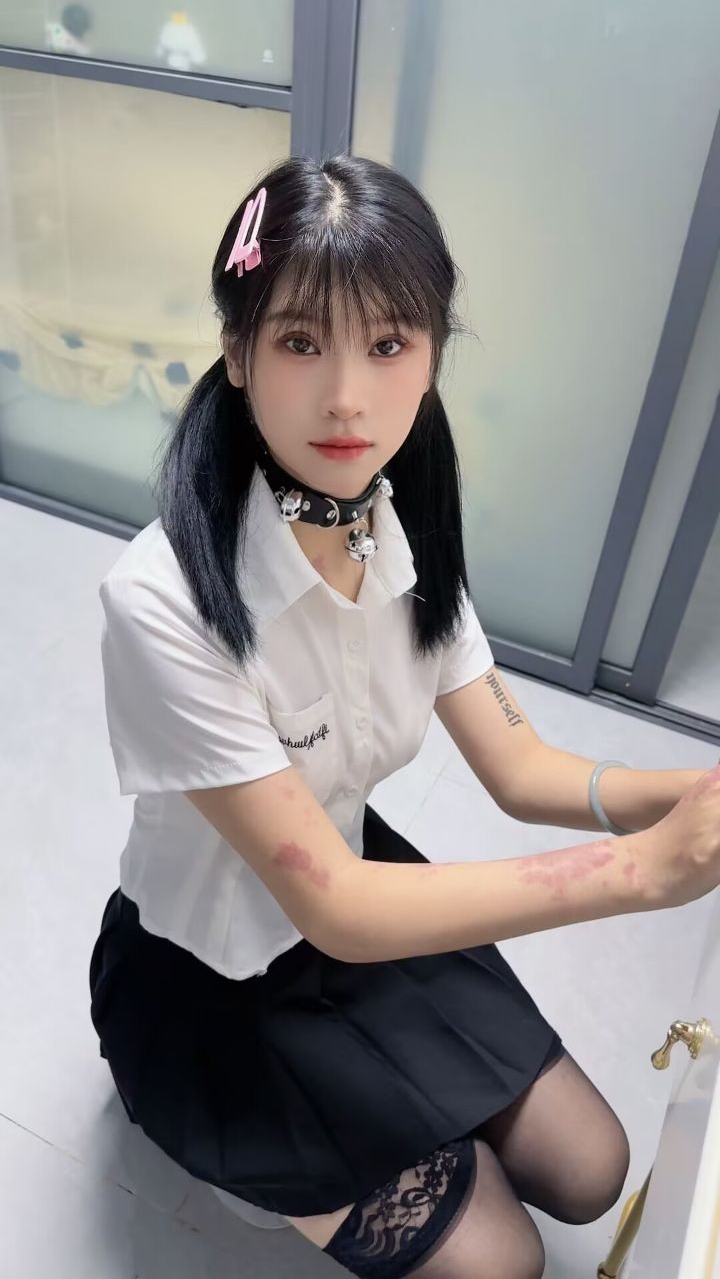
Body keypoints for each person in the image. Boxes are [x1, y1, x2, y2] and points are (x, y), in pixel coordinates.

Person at [88, 152, 720, 1278]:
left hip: (363, 897)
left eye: (388, 344)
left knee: (593, 1167)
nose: (348, 397)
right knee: (503, 1261)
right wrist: (639, 872)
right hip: (216, 973)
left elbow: (521, 766)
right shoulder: (161, 600)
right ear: (236, 351)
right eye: (300, 341)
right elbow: (333, 905)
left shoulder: (397, 523)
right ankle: (241, 1151)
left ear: (431, 353)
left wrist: (694, 793)